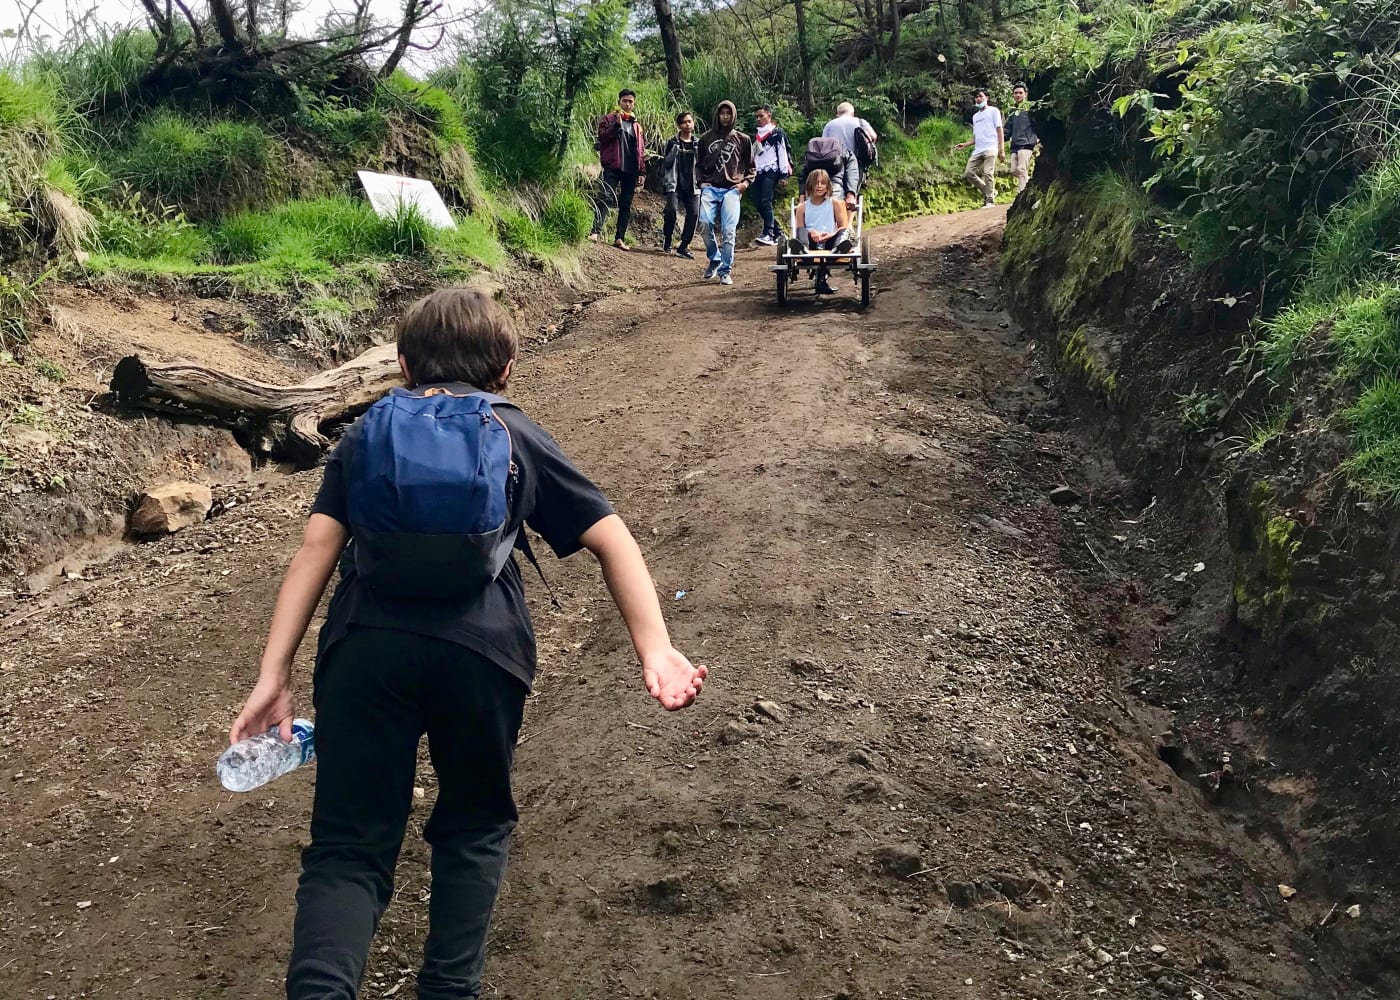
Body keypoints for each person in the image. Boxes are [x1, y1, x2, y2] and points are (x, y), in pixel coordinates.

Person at [228, 287, 707, 1000]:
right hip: (483, 654)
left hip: (365, 651)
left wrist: (274, 674)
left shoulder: (367, 434)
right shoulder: (513, 431)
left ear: (401, 364)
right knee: (475, 822)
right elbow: (612, 538)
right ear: (506, 366)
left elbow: (315, 550)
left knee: (349, 848)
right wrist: (656, 647)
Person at [696, 100, 755, 286]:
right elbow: (698, 164)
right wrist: (702, 183)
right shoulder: (705, 138)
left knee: (729, 231)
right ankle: (714, 257)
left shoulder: (743, 139)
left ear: (733, 115)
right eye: (722, 113)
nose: (725, 117)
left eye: (728, 113)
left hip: (732, 189)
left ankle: (724, 270)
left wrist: (745, 184)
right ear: (717, 115)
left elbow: (751, 166)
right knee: (704, 223)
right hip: (710, 188)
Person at [590, 88, 647, 249]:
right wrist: (616, 125)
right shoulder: (609, 119)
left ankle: (619, 238)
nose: (628, 104)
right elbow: (602, 138)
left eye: (631, 102)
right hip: (613, 166)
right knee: (605, 196)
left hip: (631, 169)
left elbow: (640, 150)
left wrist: (642, 171)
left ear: (634, 104)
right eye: (625, 101)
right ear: (619, 102)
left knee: (626, 204)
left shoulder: (637, 126)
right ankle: (595, 231)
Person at [791, 169, 851, 296]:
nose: (819, 186)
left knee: (844, 232)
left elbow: (842, 226)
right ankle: (803, 250)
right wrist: (812, 232)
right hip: (811, 241)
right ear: (810, 186)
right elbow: (800, 227)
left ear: (827, 186)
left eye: (822, 183)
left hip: (829, 240)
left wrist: (830, 235)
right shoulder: (803, 207)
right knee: (801, 231)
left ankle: (838, 249)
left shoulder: (834, 203)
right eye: (816, 183)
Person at [660, 110, 700, 259]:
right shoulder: (671, 142)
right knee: (671, 210)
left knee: (694, 213)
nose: (687, 124)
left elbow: (703, 164)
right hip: (675, 184)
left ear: (693, 123)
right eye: (684, 122)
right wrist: (675, 149)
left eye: (689, 121)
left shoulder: (698, 143)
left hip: (693, 185)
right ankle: (668, 238)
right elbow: (667, 163)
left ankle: (684, 245)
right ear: (679, 125)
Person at [751, 105, 792, 247]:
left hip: (771, 170)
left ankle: (768, 232)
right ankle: (779, 232)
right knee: (757, 201)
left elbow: (782, 153)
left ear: (769, 115)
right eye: (756, 116)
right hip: (758, 171)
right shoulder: (755, 136)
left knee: (766, 200)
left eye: (761, 116)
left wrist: (783, 174)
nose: (758, 119)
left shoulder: (776, 133)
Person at [955, 89, 1003, 208]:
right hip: (978, 149)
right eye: (976, 97)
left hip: (991, 147)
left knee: (988, 173)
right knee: (968, 173)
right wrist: (965, 144)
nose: (978, 99)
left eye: (980, 96)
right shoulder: (975, 116)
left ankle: (990, 200)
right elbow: (976, 137)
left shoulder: (994, 111)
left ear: (987, 98)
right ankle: (990, 192)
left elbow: (999, 130)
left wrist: (1001, 149)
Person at [821, 101, 878, 196]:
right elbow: (874, 136)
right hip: (855, 161)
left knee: (835, 187)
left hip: (833, 161)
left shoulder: (829, 124)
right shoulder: (860, 122)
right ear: (852, 113)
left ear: (838, 113)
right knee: (852, 190)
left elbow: (823, 144)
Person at [1006, 82, 1039, 195]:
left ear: (1025, 94)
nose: (1018, 95)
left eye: (1020, 93)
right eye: (1015, 93)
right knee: (1014, 170)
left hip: (1027, 143)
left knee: (1021, 169)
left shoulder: (1031, 109)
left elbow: (1038, 125)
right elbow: (1007, 129)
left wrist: (1037, 139)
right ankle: (1029, 183)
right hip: (1015, 145)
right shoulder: (1012, 111)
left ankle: (1021, 194)